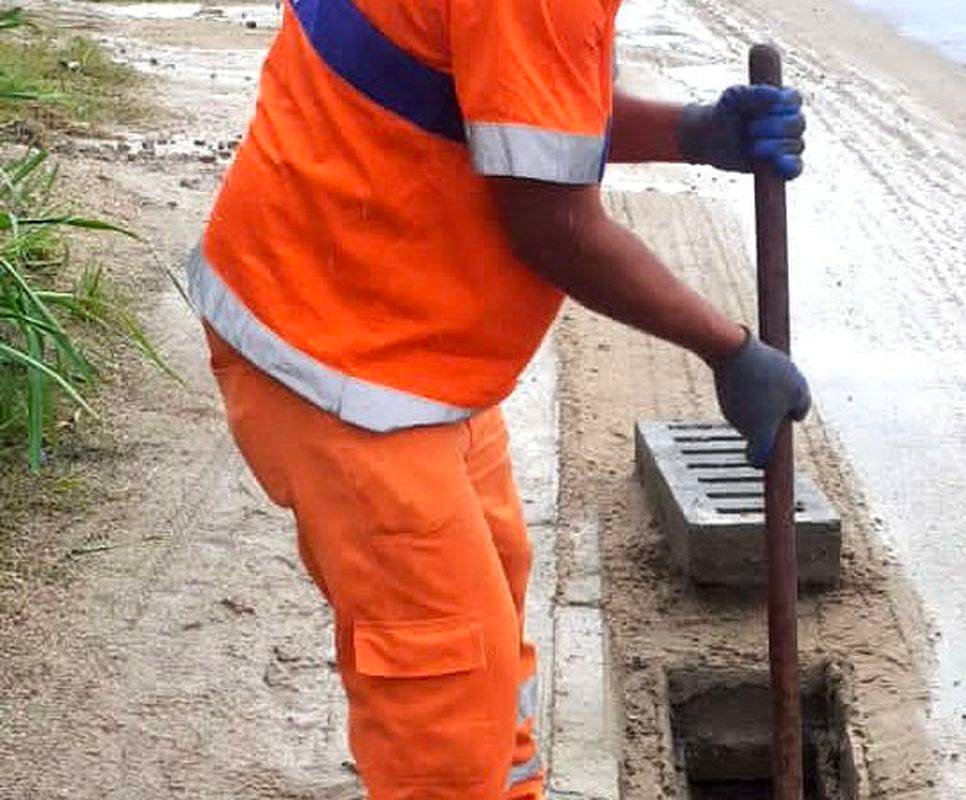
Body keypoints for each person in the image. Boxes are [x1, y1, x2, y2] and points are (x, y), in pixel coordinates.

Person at [187, 0, 810, 796]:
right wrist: (728, 350)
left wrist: (689, 132)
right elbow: (552, 224)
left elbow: (511, 110)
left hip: (407, 336)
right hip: (340, 359)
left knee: (493, 598)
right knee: (444, 678)